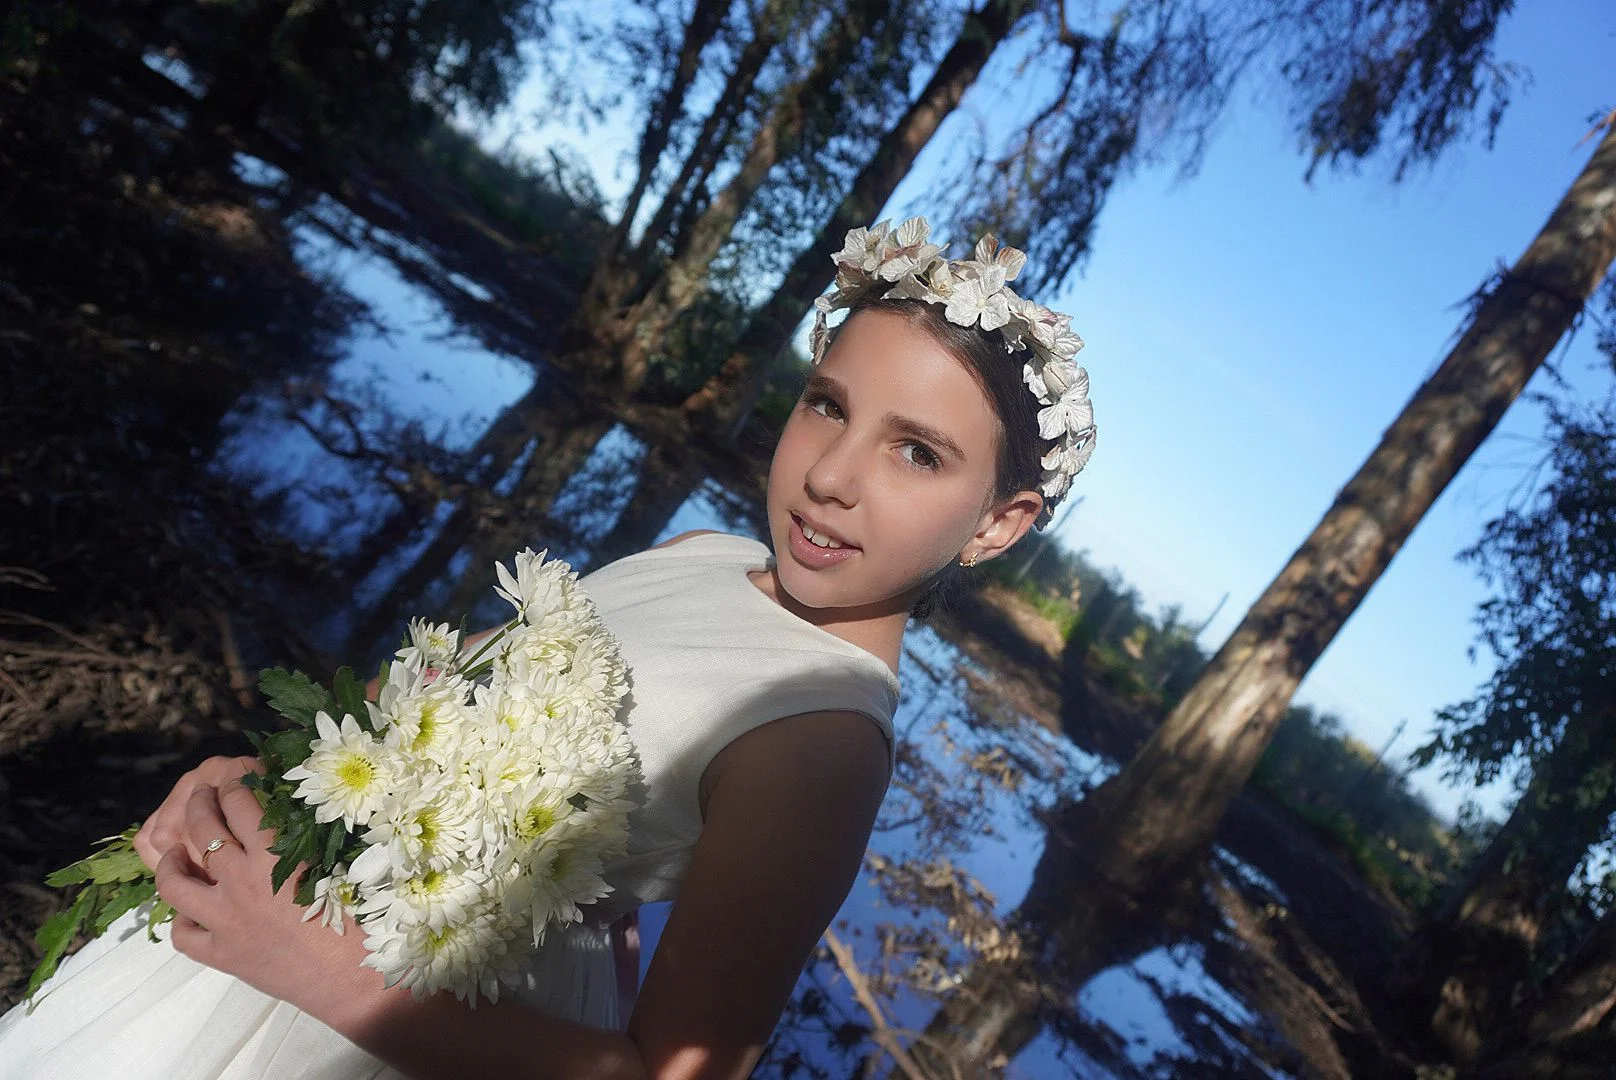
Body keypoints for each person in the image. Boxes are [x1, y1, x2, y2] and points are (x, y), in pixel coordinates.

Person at [0, 216, 1096, 1080]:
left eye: (915, 453)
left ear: (998, 521)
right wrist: (261, 786)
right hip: (285, 917)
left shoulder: (820, 737)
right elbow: (448, 695)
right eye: (826, 406)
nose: (830, 474)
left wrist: (325, 971)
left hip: (365, 1023)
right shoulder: (710, 552)